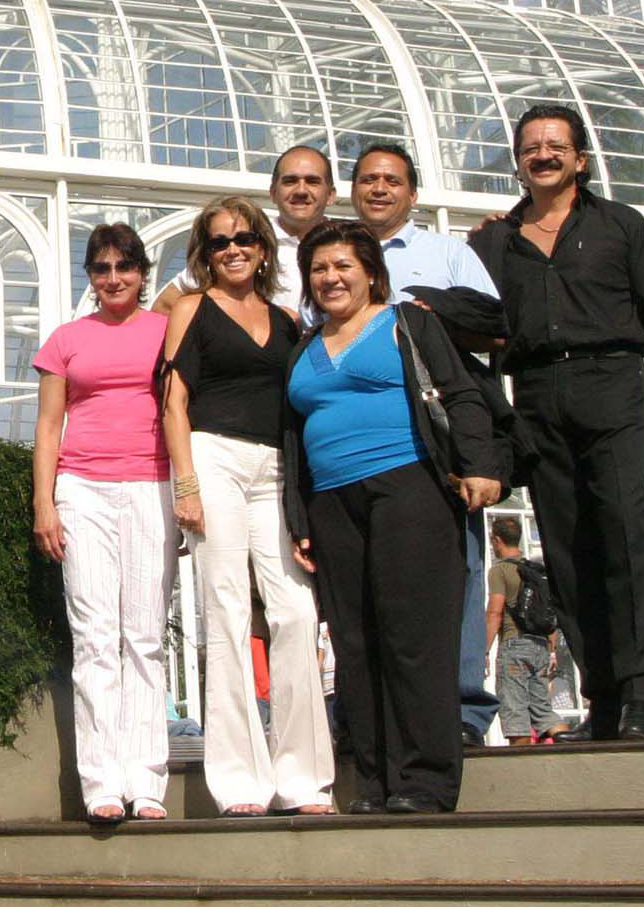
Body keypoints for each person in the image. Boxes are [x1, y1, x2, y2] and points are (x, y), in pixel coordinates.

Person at [470, 104, 644, 742]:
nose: (542, 155)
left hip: (612, 383)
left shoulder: (619, 225)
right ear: (518, 162)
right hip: (538, 392)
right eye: (530, 148)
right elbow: (474, 325)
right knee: (567, 550)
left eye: (555, 146)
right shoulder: (495, 240)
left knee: (623, 535)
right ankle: (602, 695)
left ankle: (641, 694)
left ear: (580, 159)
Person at [282, 220, 502, 813]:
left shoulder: (409, 323)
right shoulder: (303, 345)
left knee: (413, 637)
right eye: (319, 269)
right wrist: (298, 517)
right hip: (332, 501)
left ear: (371, 272)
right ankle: (376, 785)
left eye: (342, 266)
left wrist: (480, 465)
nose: (330, 278)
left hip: (410, 487)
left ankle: (425, 782)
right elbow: (293, 438)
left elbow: (459, 393)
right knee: (356, 641)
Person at [161, 197, 334, 817]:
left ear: (263, 247)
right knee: (227, 608)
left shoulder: (288, 320)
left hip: (274, 468)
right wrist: (186, 483)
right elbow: (173, 401)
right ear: (204, 254)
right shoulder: (190, 309)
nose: (232, 250)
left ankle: (304, 778)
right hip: (214, 458)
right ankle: (238, 782)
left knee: (294, 610)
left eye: (243, 239)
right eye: (218, 242)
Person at [342, 142, 506, 749]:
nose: (378, 189)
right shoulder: (335, 258)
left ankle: (463, 709)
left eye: (391, 181)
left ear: (412, 194)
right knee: (369, 582)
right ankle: (382, 712)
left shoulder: (446, 253)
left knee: (460, 571)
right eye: (367, 179)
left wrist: (426, 308)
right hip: (363, 442)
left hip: (437, 440)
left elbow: (496, 324)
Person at [32, 223, 190, 823]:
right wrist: (44, 504)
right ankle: (101, 782)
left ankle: (147, 781)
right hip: (83, 491)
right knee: (95, 636)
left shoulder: (167, 331)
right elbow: (49, 427)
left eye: (125, 267)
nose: (114, 278)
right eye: (102, 269)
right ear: (91, 278)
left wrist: (187, 492)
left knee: (145, 637)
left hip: (152, 486)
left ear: (144, 272)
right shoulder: (66, 340)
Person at [154, 145, 335, 319]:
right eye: (290, 181)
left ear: (331, 194)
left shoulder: (349, 244)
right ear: (273, 192)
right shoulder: (247, 243)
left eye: (312, 181)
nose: (301, 190)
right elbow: (165, 306)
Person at [486, 516, 563, 745]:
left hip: (514, 645)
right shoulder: (534, 571)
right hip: (540, 647)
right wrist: (552, 650)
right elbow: (548, 614)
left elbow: (494, 612)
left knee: (515, 715)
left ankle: (521, 769)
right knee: (544, 712)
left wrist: (484, 649)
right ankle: (569, 748)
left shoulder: (499, 571)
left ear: (496, 540)